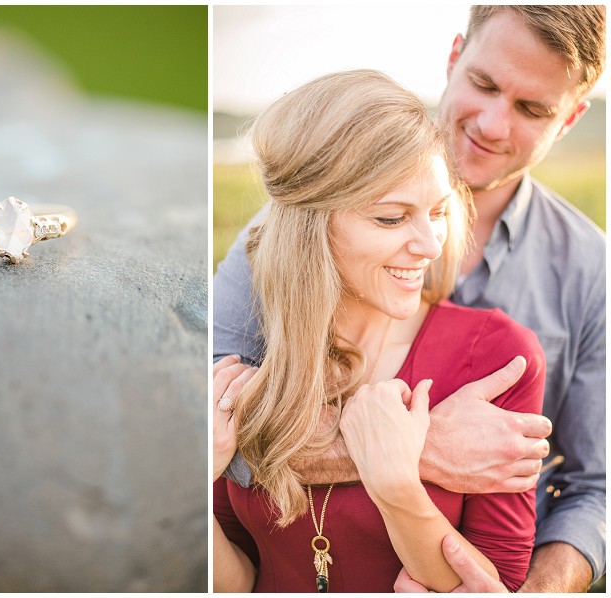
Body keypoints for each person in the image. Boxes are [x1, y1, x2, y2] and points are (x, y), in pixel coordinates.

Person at [213, 5, 605, 593]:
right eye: (484, 84)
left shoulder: (590, 271)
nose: (494, 124)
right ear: (454, 59)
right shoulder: (278, 244)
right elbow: (220, 427)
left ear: (571, 117)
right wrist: (419, 447)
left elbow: (594, 488)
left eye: (532, 109)